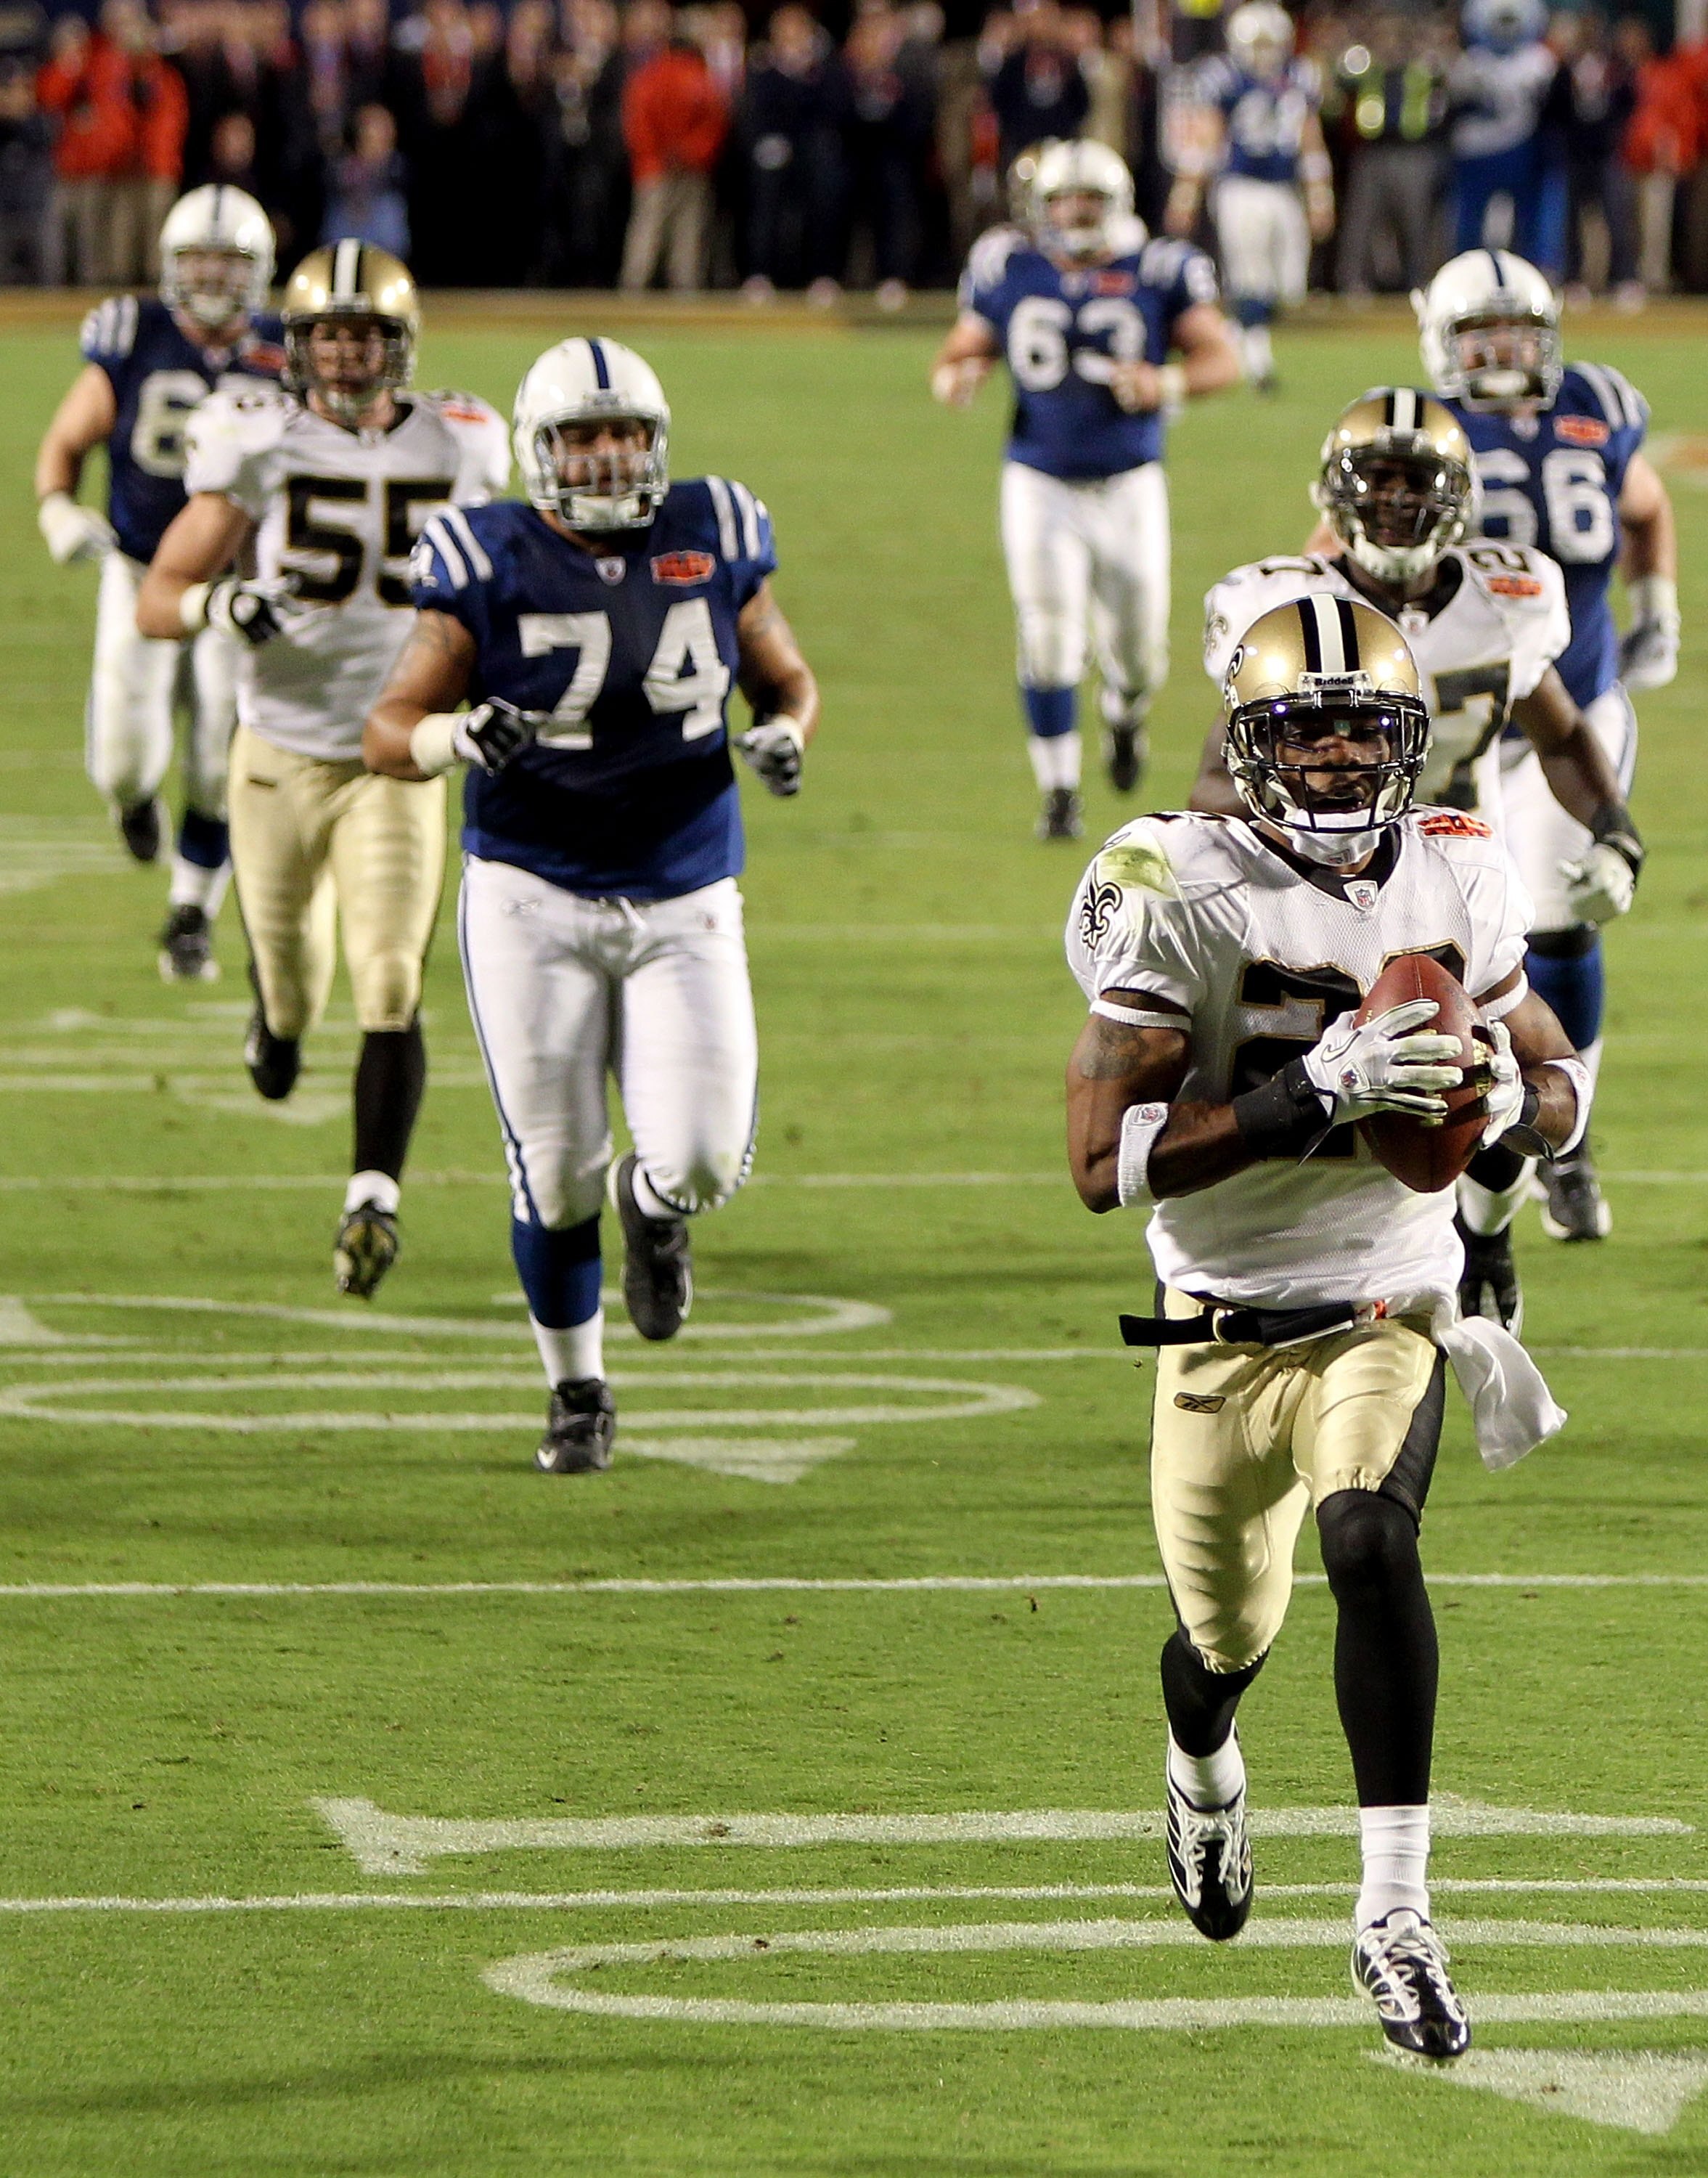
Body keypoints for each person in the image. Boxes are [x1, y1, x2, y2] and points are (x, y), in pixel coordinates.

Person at [1065, 595, 1592, 2060]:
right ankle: (1202, 1764)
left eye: (1372, 727)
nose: (1348, 757)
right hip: (1217, 1329)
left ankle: (1396, 1918)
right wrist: (1311, 1097)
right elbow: (1104, 1163)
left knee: (1369, 1536)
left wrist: (1515, 1107)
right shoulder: (1171, 877)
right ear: (1252, 741)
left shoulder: (1458, 869)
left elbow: (1557, 1076)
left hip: (1386, 1299)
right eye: (1311, 727)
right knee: (1221, 1641)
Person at [362, 335, 817, 1475]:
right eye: (583, 436)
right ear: (539, 450)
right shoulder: (486, 553)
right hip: (532, 892)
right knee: (552, 1168)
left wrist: (784, 735)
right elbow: (387, 730)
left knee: (706, 1160)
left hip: (684, 885)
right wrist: (453, 735)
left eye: (627, 435)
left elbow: (788, 680)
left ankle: (652, 1205)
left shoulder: (714, 527)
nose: (610, 458)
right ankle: (576, 1389)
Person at [1198, 387, 1643, 1332]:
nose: (1398, 503)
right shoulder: (1280, 603)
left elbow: (1558, 733)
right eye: (1380, 480)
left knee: (1489, 1074)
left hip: (1456, 870)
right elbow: (1220, 767)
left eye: (1418, 482)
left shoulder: (1507, 598)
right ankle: (1317, 1267)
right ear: (1335, 492)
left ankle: (1486, 1238)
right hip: (1317, 872)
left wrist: (1613, 826)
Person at [135, 242, 510, 1295]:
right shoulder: (255, 444)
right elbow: (159, 595)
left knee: (390, 979)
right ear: (296, 348)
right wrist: (222, 603)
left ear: (400, 344)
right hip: (277, 755)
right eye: (327, 337)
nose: (345, 358)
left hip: (395, 756)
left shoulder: (464, 441)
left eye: (364, 337)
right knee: (294, 1005)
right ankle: (275, 1017)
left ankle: (372, 1200)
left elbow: (495, 581)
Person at [1415, 248, 1673, 1241]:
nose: (1503, 352)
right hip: (1459, 722)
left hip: (1577, 705)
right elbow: (1340, 542)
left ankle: (1565, 1138)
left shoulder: (1595, 405)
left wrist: (1657, 603)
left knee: (1560, 919)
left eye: (1516, 330)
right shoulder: (1419, 428)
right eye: (1479, 335)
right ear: (1442, 341)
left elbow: (1645, 507)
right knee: (1451, 941)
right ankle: (1443, 1170)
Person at [931, 137, 1238, 840]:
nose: (1073, 212)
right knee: (1046, 634)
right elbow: (957, 350)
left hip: (1129, 483)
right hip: (1037, 479)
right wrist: (956, 376)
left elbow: (1221, 357)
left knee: (1138, 651)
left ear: (1116, 205)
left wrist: (1165, 382)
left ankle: (1124, 717)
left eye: (1088, 201)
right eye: (1062, 199)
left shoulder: (1158, 267)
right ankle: (1059, 789)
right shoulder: (1009, 264)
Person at [33, 183, 282, 982]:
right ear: (171, 265)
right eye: (197, 260)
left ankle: (190, 913)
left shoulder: (289, 351)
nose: (211, 277)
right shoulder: (132, 332)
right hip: (139, 570)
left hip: (233, 583)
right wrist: (55, 509)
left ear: (259, 269)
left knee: (218, 752)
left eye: (227, 261)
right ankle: (135, 802)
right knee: (125, 759)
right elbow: (67, 438)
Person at [1166, 1, 1333, 393]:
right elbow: (1207, 136)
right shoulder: (1224, 77)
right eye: (1256, 44)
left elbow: (1309, 138)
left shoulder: (1300, 76)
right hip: (1240, 186)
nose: (1263, 53)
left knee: (1286, 281)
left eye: (1269, 43)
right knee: (1249, 276)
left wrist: (1320, 195)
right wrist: (1187, 193)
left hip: (1283, 188)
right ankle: (1257, 360)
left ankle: (1241, 339)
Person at [1448, 0, 1566, 276]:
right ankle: (1466, 275)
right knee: (1470, 224)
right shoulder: (1470, 62)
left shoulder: (1539, 62)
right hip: (1476, 151)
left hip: (1523, 149)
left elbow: (1556, 109)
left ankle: (1533, 274)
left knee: (1530, 221)